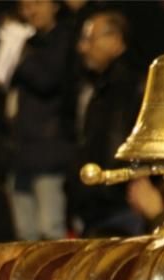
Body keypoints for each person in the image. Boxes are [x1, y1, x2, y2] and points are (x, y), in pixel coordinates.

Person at [67, 10, 147, 237]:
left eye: (90, 39)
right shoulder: (97, 87)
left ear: (116, 40)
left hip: (120, 204)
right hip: (96, 204)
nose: (82, 48)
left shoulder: (133, 87)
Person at [7, 0, 75, 241]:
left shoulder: (67, 37)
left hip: (50, 149)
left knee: (50, 228)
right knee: (25, 232)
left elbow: (48, 80)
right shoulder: (30, 42)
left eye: (36, 3)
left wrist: (22, 63)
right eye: (24, 6)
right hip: (23, 149)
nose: (30, 11)